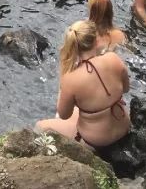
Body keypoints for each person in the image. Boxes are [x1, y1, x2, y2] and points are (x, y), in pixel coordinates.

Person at [36, 21, 131, 152]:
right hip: (124, 127)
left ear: (73, 45)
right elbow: (126, 89)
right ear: (97, 40)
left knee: (40, 126)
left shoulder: (70, 78)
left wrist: (63, 81)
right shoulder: (113, 58)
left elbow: (63, 115)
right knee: (82, 109)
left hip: (97, 141)